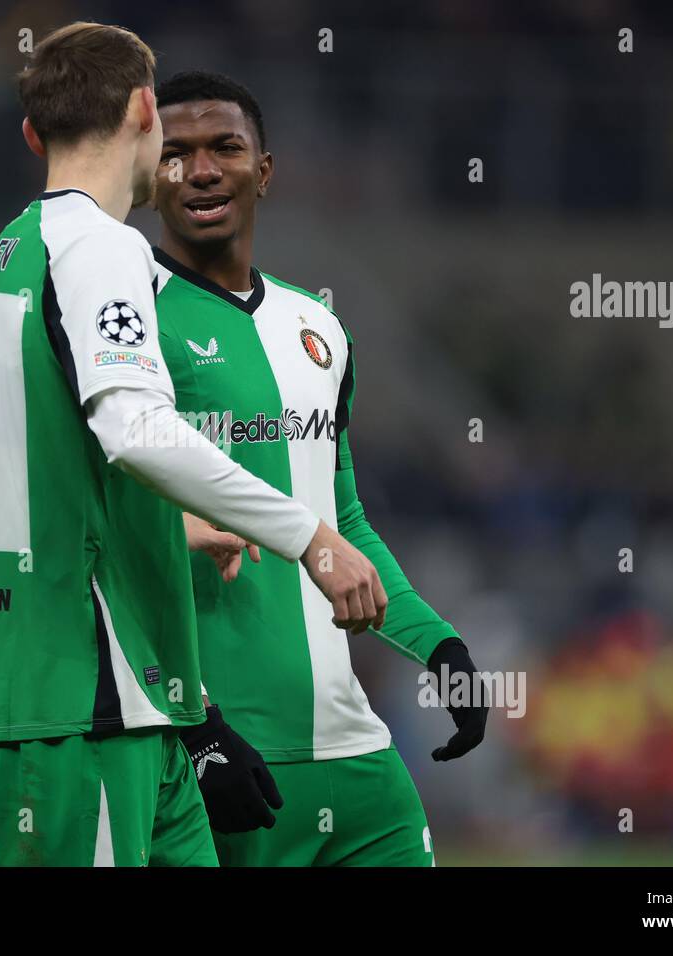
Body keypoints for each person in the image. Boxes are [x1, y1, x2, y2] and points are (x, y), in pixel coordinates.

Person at [0, 26, 387, 866]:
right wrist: (309, 536)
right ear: (146, 109)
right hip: (87, 697)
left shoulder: (5, 262)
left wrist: (163, 527)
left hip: (141, 704)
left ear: (34, 135)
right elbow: (136, 429)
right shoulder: (102, 249)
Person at [148, 70, 488, 866]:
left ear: (263, 171)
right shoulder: (127, 328)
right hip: (221, 754)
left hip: (356, 756)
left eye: (225, 148)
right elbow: (106, 535)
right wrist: (192, 725)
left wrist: (440, 648)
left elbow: (344, 524)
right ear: (148, 175)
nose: (201, 171)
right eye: (176, 154)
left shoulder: (319, 326)